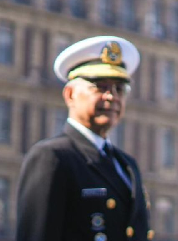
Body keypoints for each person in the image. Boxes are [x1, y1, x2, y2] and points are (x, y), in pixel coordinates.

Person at [17, 36, 152, 241]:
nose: (111, 97)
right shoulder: (52, 157)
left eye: (119, 89)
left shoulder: (126, 165)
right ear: (70, 94)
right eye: (100, 87)